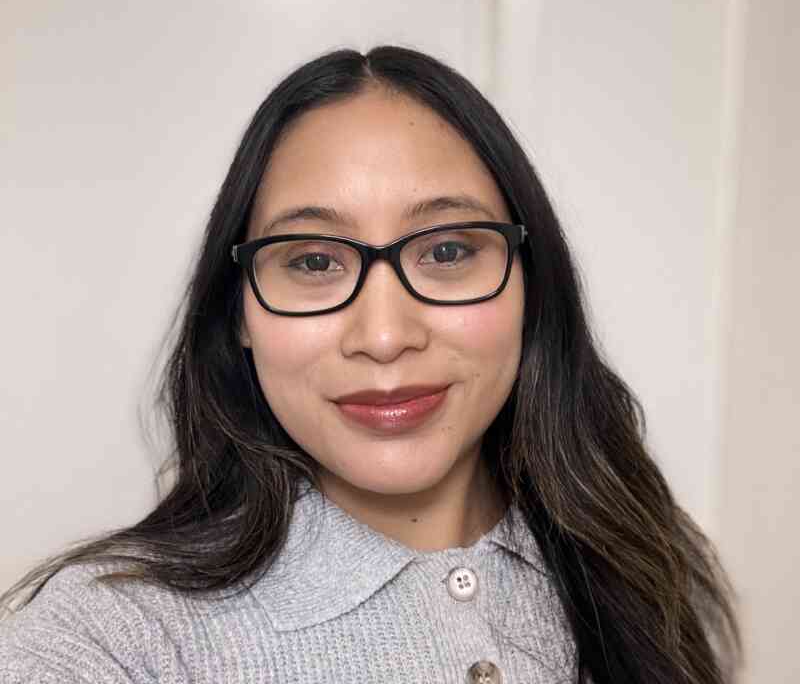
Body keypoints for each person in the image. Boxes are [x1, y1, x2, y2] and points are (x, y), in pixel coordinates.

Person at [0, 46, 740, 683]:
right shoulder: (114, 637)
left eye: (448, 250)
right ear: (240, 317)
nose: (384, 337)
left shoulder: (649, 571)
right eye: (314, 260)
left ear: (529, 284)